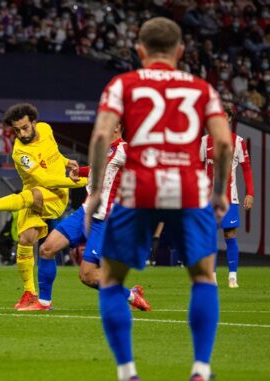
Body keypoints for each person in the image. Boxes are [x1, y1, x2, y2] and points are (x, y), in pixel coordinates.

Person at [85, 17, 231, 381]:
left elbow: (102, 137)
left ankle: (127, 371)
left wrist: (92, 195)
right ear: (180, 51)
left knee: (112, 279)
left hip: (139, 186)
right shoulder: (201, 88)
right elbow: (225, 143)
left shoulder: (122, 84)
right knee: (203, 277)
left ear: (139, 51)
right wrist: (218, 193)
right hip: (188, 186)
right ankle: (200, 369)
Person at [0, 103, 86, 310]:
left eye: (25, 127)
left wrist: (66, 162)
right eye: (16, 130)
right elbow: (44, 179)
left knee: (34, 194)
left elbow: (52, 155)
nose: (21, 133)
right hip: (34, 195)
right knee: (25, 239)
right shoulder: (20, 153)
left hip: (56, 196)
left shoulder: (46, 129)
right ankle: (30, 292)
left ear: (34, 123)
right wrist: (84, 180)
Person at [30, 124, 150, 311]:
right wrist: (82, 171)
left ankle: (131, 295)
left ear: (117, 126)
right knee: (46, 249)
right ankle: (44, 303)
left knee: (87, 276)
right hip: (84, 212)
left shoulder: (124, 149)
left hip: (104, 220)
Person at [200, 105, 254, 288]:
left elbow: (246, 169)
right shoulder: (204, 142)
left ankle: (232, 277)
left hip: (230, 198)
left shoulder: (237, 141)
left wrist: (250, 193)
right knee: (209, 235)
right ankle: (212, 276)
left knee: (230, 233)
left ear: (229, 119)